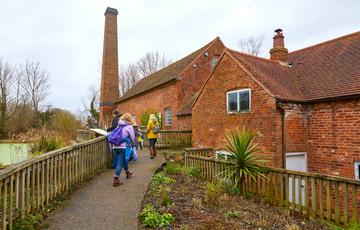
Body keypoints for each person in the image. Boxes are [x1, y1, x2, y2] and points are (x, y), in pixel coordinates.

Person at [112, 113, 135, 186]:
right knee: (119, 163)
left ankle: (127, 172)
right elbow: (132, 138)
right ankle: (116, 179)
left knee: (123, 160)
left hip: (115, 146)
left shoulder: (119, 125)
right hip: (123, 147)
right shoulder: (129, 127)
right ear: (129, 119)